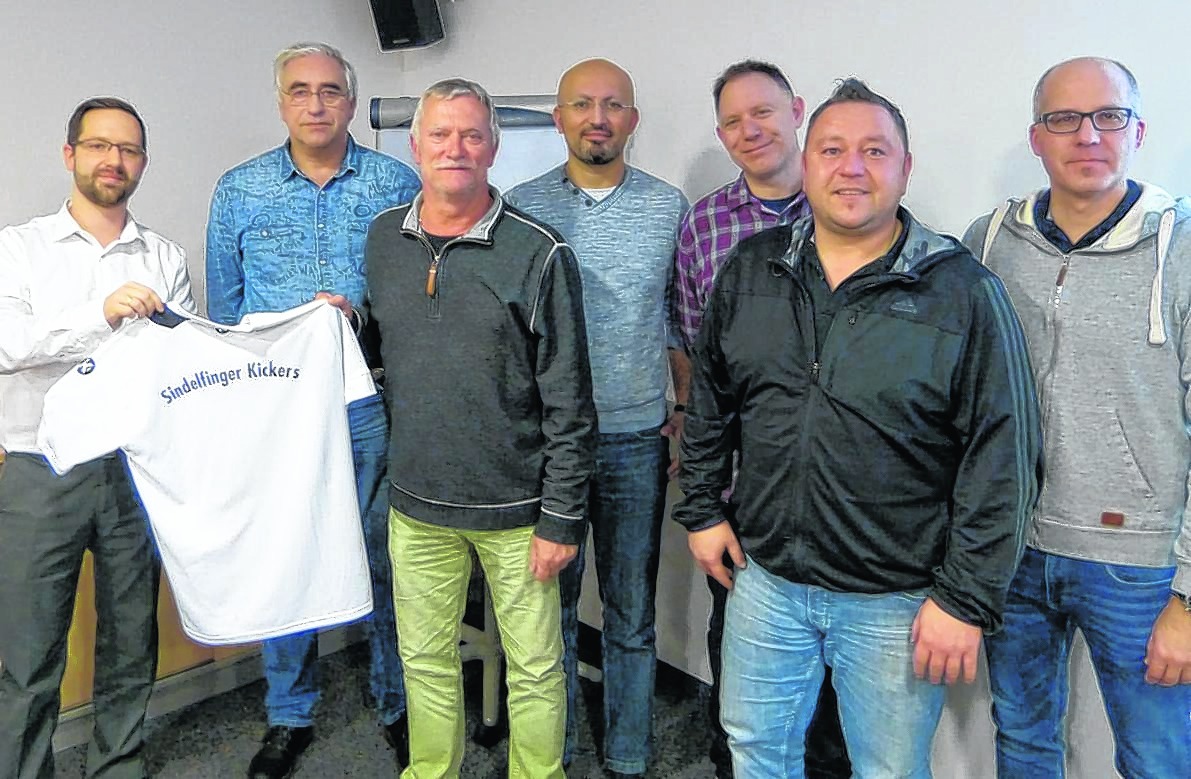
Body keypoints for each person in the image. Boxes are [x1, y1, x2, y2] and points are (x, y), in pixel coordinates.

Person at [674, 78, 1043, 777]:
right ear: (806, 161)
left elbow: (1003, 457)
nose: (851, 167)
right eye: (832, 149)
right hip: (765, 579)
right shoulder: (753, 269)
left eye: (874, 151)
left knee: (887, 770)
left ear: (905, 168)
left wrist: (964, 599)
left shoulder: (961, 292)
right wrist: (701, 509)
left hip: (894, 598)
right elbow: (712, 399)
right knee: (755, 750)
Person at [963, 56, 1191, 777]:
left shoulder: (1181, 250)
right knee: (1022, 739)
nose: (1087, 135)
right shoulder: (988, 242)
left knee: (1156, 758)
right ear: (1036, 137)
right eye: (1063, 118)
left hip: (1139, 567)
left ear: (1137, 131)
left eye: (1108, 116)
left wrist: (1189, 596)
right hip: (1011, 549)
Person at [365, 77, 596, 779]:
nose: (455, 148)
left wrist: (561, 519)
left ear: (493, 147)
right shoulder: (383, 239)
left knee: (535, 667)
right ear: (416, 145)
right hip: (417, 504)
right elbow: (389, 349)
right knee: (423, 658)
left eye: (471, 135)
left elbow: (570, 399)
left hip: (519, 511)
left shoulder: (539, 251)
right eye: (440, 134)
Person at [204, 41, 420, 778]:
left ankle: (397, 703)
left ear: (352, 102)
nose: (316, 104)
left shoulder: (395, 182)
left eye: (330, 90)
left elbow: (419, 293)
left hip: (373, 403)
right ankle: (289, 714)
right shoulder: (239, 190)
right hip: (279, 410)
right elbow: (227, 312)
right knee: (287, 558)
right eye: (300, 90)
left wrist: (358, 315)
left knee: (388, 558)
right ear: (281, 102)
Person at [0, 96, 194, 779]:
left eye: (129, 149)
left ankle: (118, 765)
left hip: (136, 471)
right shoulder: (18, 248)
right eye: (99, 146)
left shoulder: (165, 258)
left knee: (131, 640)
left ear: (143, 163)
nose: (115, 160)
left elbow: (181, 368)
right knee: (28, 653)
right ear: (70, 154)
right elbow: (9, 345)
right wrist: (100, 315)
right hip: (39, 471)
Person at [505, 57, 687, 778]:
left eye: (613, 105)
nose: (598, 118)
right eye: (582, 104)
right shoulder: (520, 207)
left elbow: (677, 321)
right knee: (544, 617)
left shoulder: (667, 206)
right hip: (548, 444)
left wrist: (684, 410)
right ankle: (551, 756)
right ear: (558, 119)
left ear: (632, 120)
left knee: (630, 614)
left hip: (635, 439)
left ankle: (628, 756)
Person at [671, 60, 849, 779]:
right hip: (743, 485)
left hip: (838, 484)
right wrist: (702, 481)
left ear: (797, 111)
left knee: (838, 659)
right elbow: (693, 352)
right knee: (740, 645)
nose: (750, 130)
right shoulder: (703, 224)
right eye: (733, 121)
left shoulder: (848, 203)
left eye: (764, 112)